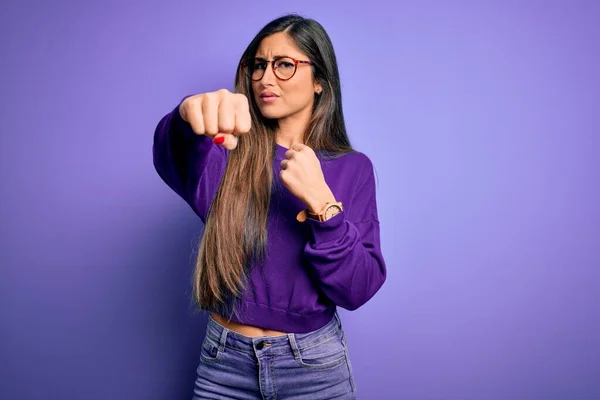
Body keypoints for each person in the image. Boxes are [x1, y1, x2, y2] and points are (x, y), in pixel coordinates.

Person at [153, 13, 386, 400]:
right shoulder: (225, 149)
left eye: (284, 65)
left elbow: (358, 289)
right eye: (259, 65)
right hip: (224, 363)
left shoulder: (352, 168)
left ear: (320, 84)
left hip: (314, 368)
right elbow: (171, 154)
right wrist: (186, 115)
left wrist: (323, 206)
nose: (265, 77)